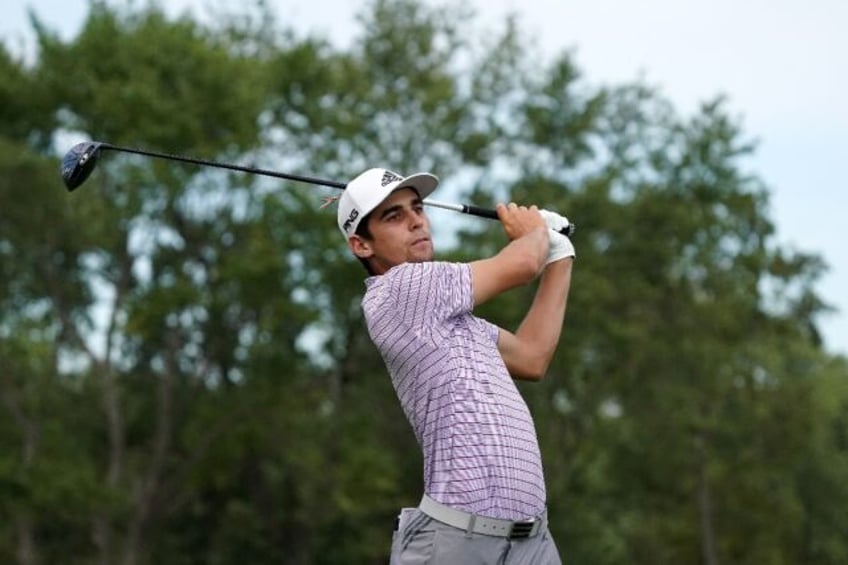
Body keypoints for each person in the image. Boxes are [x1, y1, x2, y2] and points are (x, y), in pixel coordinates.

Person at [337, 167, 574, 564]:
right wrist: (535, 231)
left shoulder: (456, 322)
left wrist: (560, 255)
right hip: (457, 544)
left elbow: (532, 357)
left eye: (417, 208)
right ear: (361, 245)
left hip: (532, 543)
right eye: (394, 216)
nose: (416, 221)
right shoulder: (399, 291)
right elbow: (520, 265)